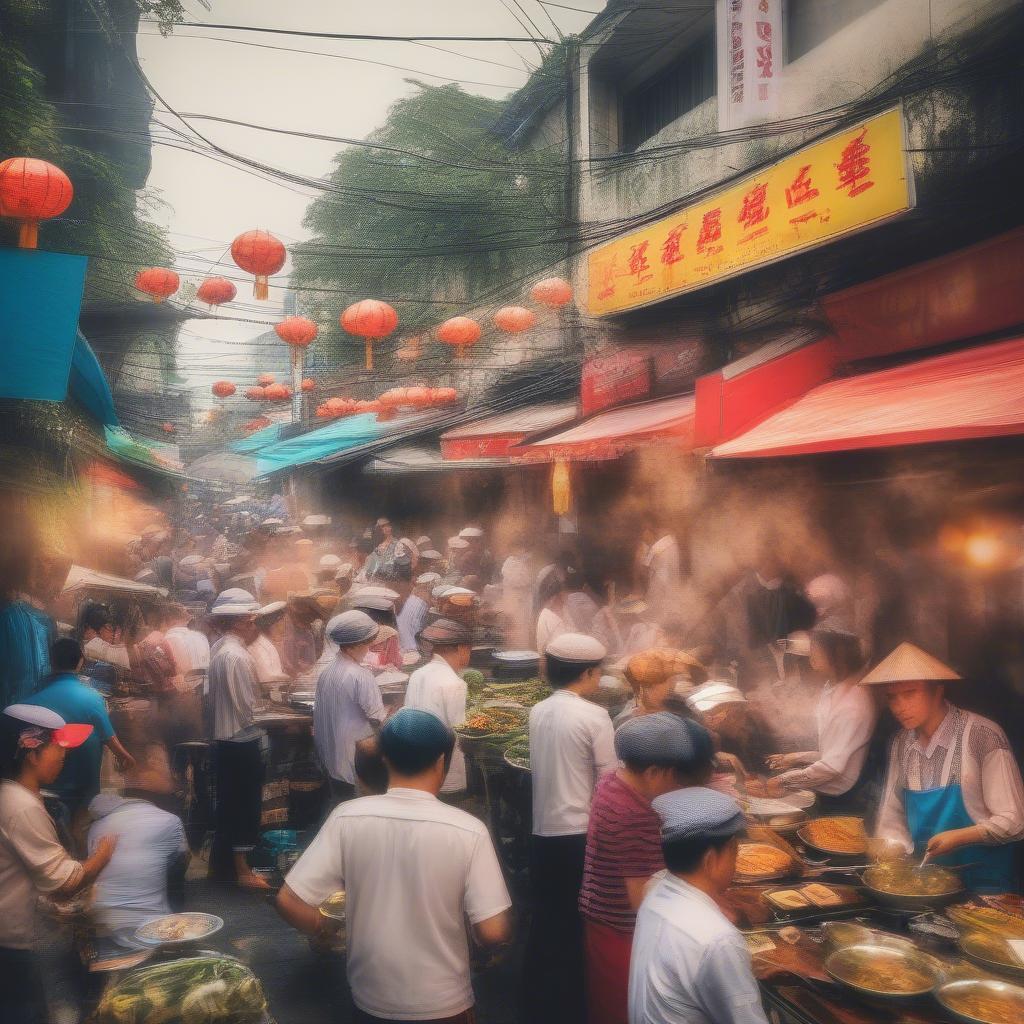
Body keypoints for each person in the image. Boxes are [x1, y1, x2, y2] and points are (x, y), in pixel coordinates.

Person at [277, 708, 512, 1024]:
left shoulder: (347, 817)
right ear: (442, 761)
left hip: (369, 999)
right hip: (443, 1004)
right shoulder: (468, 830)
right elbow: (493, 931)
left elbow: (289, 902)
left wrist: (325, 931)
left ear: (385, 759)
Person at [580, 714, 715, 1024]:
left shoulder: (613, 781)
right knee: (626, 1010)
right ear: (655, 772)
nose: (679, 786)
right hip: (622, 932)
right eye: (676, 779)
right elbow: (641, 898)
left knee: (609, 1007)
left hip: (600, 916)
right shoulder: (633, 814)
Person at [866, 642, 1024, 892]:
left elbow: (1015, 821)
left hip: (986, 885)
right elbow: (892, 814)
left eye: (909, 693)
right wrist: (891, 852)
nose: (899, 707)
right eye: (892, 697)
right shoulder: (901, 743)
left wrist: (959, 837)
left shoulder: (983, 735)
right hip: (929, 882)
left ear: (938, 690)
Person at [0, 704, 117, 1022]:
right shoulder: (20, 806)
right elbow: (65, 884)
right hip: (9, 949)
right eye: (56, 747)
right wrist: (103, 856)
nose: (63, 755)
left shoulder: (18, 796)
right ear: (31, 752)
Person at [526, 632, 616, 1024]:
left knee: (548, 919)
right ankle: (573, 1006)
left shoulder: (539, 711)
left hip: (543, 830)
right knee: (577, 923)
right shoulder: (594, 716)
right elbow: (610, 782)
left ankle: (540, 1002)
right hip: (580, 833)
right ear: (589, 673)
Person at [628, 787, 768, 1024]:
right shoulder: (718, 940)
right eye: (734, 851)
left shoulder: (655, 891)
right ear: (710, 860)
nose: (736, 860)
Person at [87, 743, 190, 959]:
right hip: (149, 938)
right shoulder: (169, 821)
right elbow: (183, 862)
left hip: (103, 933)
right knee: (175, 865)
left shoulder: (96, 825)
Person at [760, 627, 878, 811]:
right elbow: (830, 751)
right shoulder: (831, 688)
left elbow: (833, 767)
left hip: (844, 800)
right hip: (829, 790)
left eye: (817, 649)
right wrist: (795, 758)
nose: (811, 654)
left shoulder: (853, 704)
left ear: (837, 656)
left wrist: (784, 780)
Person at [25, 638, 136, 822]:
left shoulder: (34, 695)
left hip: (42, 788)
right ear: (81, 661)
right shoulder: (91, 698)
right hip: (82, 794)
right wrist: (126, 757)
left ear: (52, 661)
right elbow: (110, 739)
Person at [207, 588, 271, 891]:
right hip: (240, 740)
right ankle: (243, 872)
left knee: (229, 806)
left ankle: (224, 870)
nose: (254, 626)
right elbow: (248, 708)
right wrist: (276, 715)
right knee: (244, 806)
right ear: (241, 622)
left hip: (226, 739)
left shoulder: (221, 648)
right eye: (251, 621)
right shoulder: (235, 656)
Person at [314, 610, 386, 805]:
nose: (369, 648)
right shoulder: (360, 675)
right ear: (357, 644)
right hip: (355, 764)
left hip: (331, 761)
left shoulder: (327, 672)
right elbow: (378, 719)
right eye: (368, 644)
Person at [404, 619, 470, 795]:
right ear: (462, 649)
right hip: (444, 770)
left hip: (416, 763)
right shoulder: (455, 683)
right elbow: (459, 729)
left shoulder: (417, 674)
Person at [248, 601, 288, 685]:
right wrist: (290, 678)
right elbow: (266, 678)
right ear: (275, 623)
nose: (286, 623)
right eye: (283, 620)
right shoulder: (258, 645)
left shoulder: (270, 642)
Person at [535, 572, 571, 655]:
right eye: (564, 593)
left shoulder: (564, 610)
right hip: (555, 660)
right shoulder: (547, 616)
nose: (567, 595)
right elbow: (544, 648)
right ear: (555, 596)